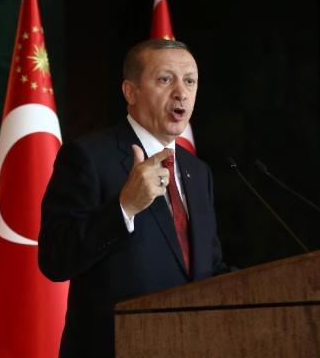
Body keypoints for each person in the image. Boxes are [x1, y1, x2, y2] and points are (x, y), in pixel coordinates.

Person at [38, 39, 225, 358]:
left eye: (190, 81)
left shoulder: (198, 172)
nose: (181, 92)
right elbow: (56, 259)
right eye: (166, 79)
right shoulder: (88, 158)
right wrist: (124, 207)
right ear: (131, 91)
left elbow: (210, 269)